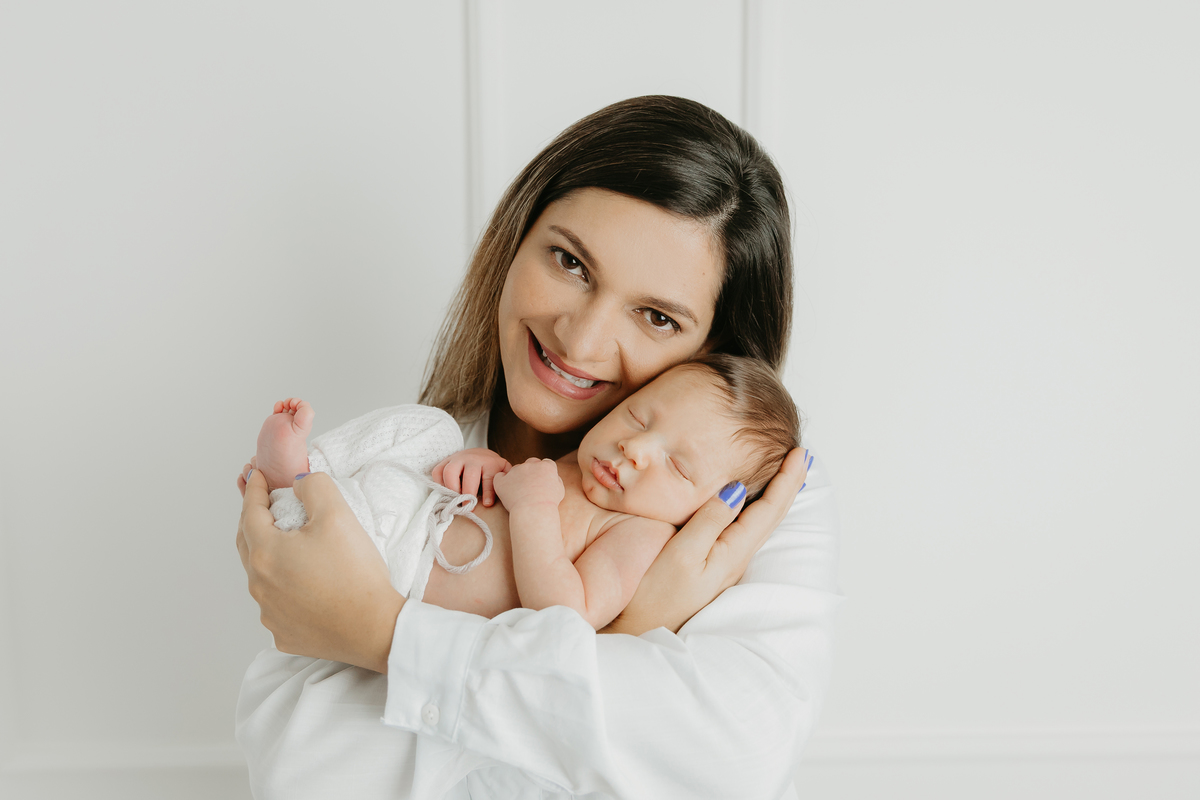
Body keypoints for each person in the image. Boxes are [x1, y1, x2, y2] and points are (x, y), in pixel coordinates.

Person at [236, 95, 840, 799]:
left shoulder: (746, 502)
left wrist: (380, 633)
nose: (579, 340)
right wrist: (630, 642)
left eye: (655, 316)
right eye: (570, 262)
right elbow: (304, 761)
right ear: (515, 240)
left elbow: (733, 756)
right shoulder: (427, 459)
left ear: (717, 352)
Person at [246, 354, 806, 630]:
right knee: (433, 428)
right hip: (414, 511)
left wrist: (534, 507)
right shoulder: (574, 462)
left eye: (678, 466)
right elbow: (491, 494)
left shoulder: (638, 535)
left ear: (708, 511)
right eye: (637, 418)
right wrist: (478, 466)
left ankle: (294, 494)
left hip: (398, 577)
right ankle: (305, 468)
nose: (636, 450)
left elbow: (567, 613)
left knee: (354, 517)